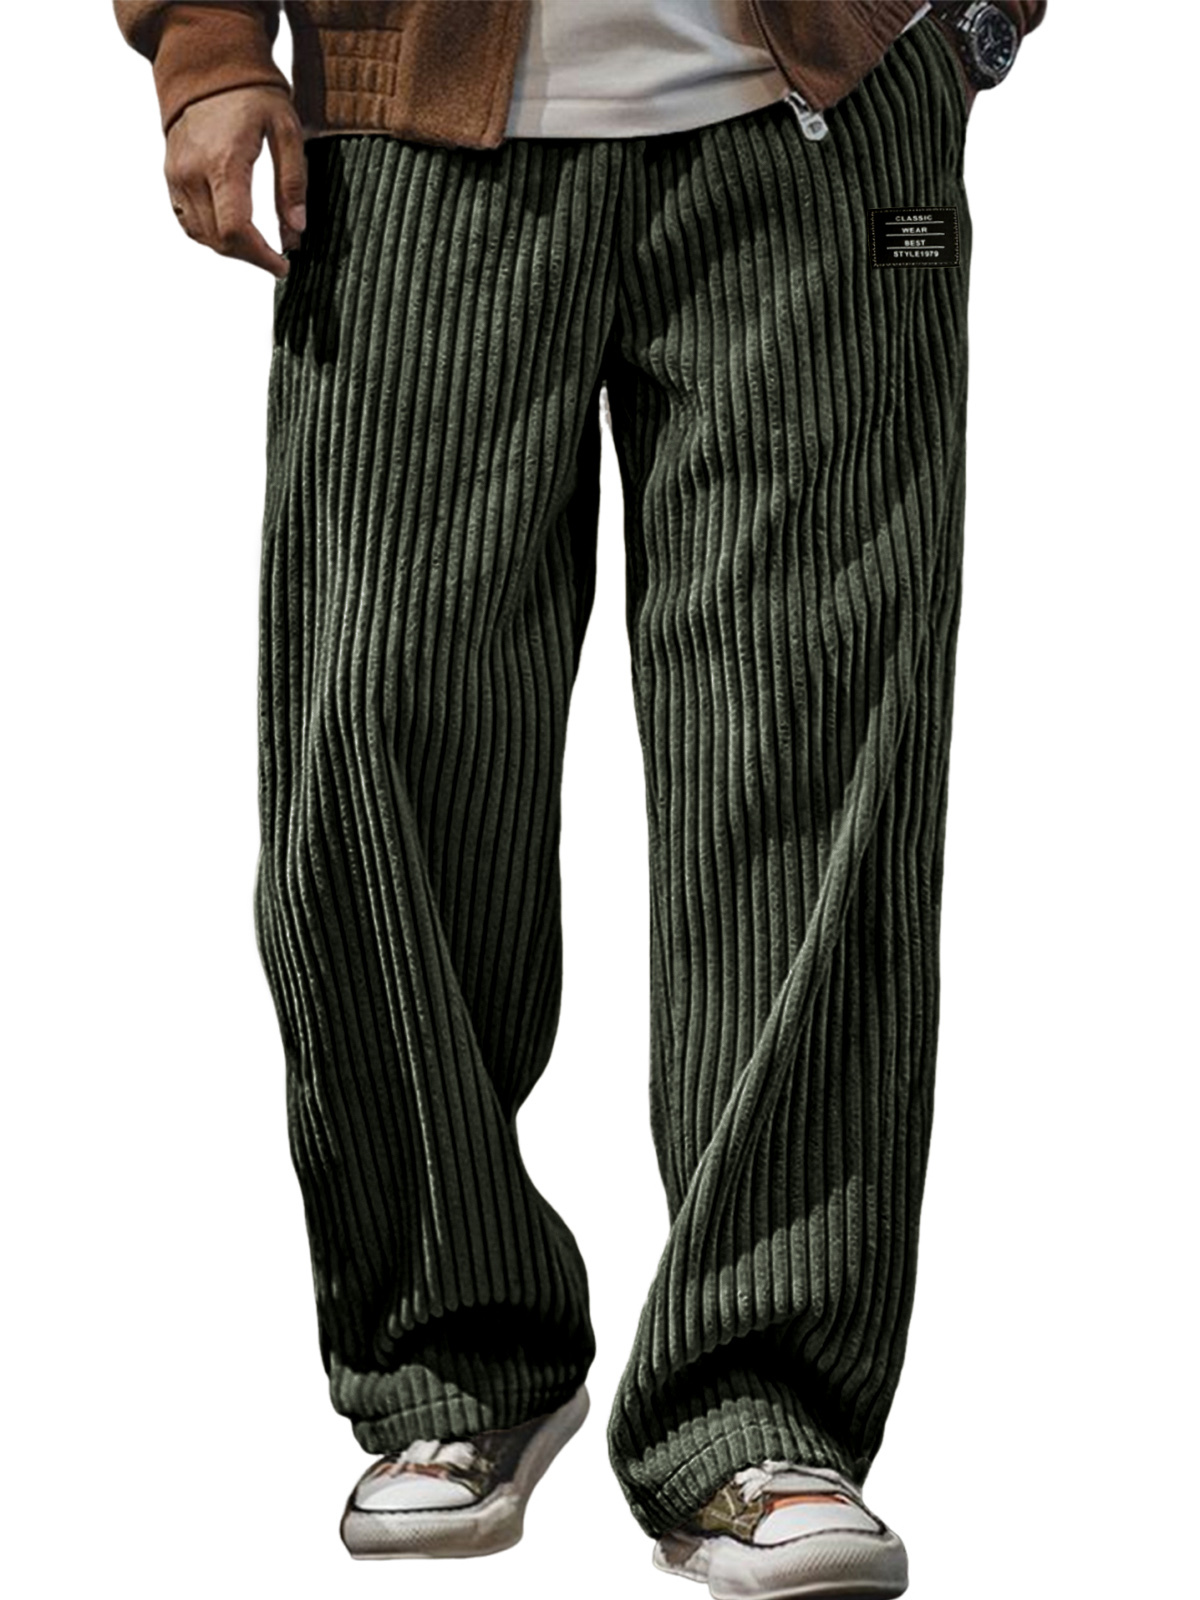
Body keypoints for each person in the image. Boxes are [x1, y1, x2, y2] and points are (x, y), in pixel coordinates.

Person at [112, 2, 1047, 1593]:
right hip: (409, 139)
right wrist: (205, 48)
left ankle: (761, 1402)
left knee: (809, 770)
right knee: (378, 748)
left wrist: (972, 24)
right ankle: (448, 1357)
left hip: (819, 130)